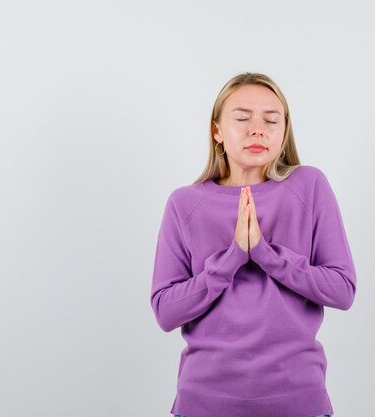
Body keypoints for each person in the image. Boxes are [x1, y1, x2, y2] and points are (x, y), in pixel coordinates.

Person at [150, 72, 356, 417]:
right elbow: (165, 311)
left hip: (298, 401)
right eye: (242, 118)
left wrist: (264, 252)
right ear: (217, 131)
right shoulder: (185, 203)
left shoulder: (309, 186)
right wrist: (232, 257)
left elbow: (342, 290)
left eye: (271, 120)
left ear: (284, 132)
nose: (257, 129)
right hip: (203, 403)